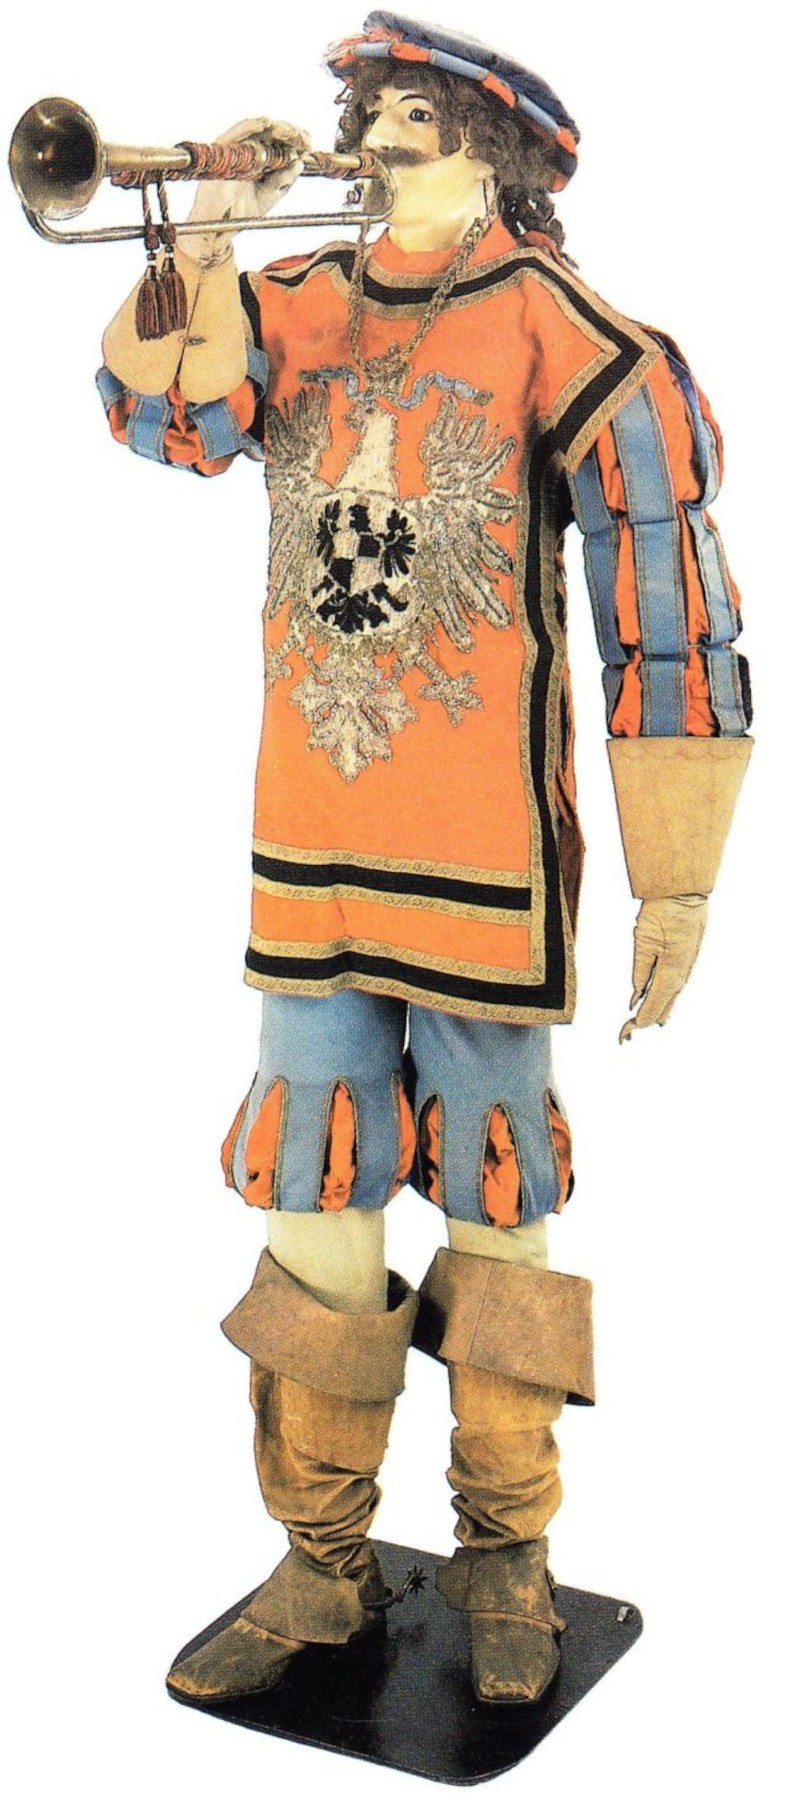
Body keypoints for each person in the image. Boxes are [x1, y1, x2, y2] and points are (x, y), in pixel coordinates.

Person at [97, 11, 751, 1707]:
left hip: (484, 865)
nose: (374, 140)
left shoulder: (570, 331)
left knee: (495, 1208)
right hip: (313, 856)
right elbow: (165, 425)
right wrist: (213, 227)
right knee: (313, 1205)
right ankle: (320, 1567)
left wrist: (677, 872)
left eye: (412, 118)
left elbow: (667, 602)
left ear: (496, 150)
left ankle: (507, 1555)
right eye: (367, 112)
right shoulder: (293, 303)